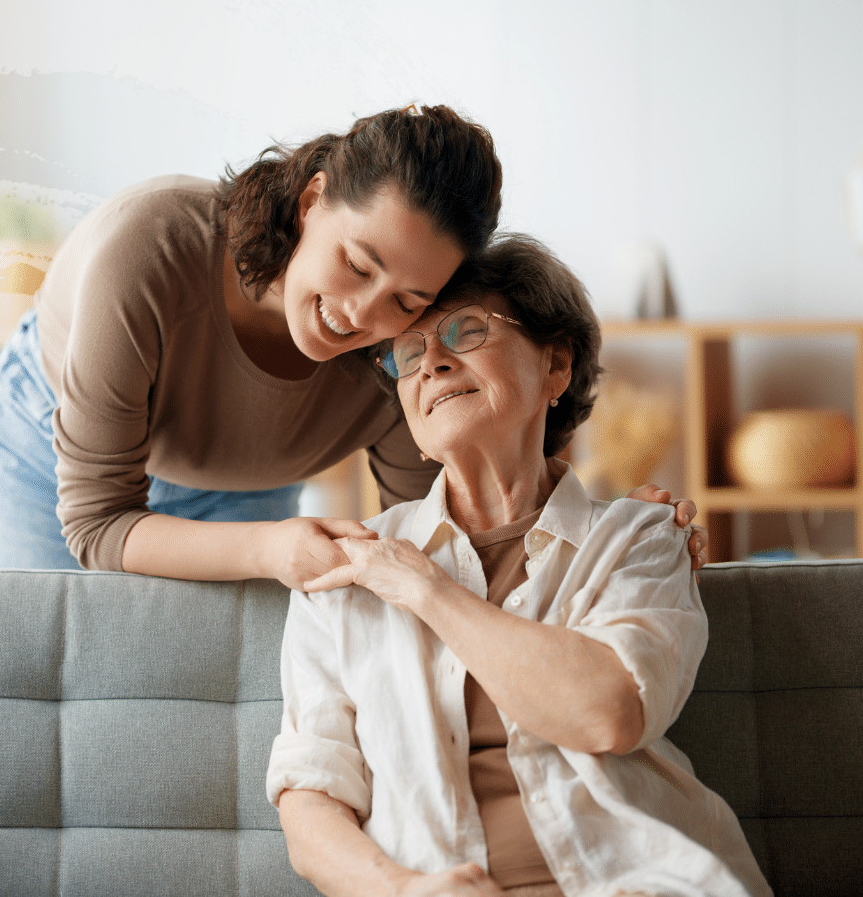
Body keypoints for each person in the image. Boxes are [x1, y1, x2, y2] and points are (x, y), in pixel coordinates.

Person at [0, 105, 706, 586]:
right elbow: (97, 524)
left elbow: (452, 539)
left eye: (407, 300)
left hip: (242, 488)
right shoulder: (150, 251)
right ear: (313, 199)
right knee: (37, 688)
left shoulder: (402, 357)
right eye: (357, 263)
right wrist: (267, 550)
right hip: (56, 459)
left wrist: (614, 536)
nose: (358, 314)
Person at [266, 235, 769, 897]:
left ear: (556, 365)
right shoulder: (347, 566)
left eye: (464, 331)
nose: (431, 364)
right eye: (409, 354)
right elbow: (310, 798)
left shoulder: (639, 538)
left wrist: (426, 589)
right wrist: (403, 891)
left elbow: (609, 713)